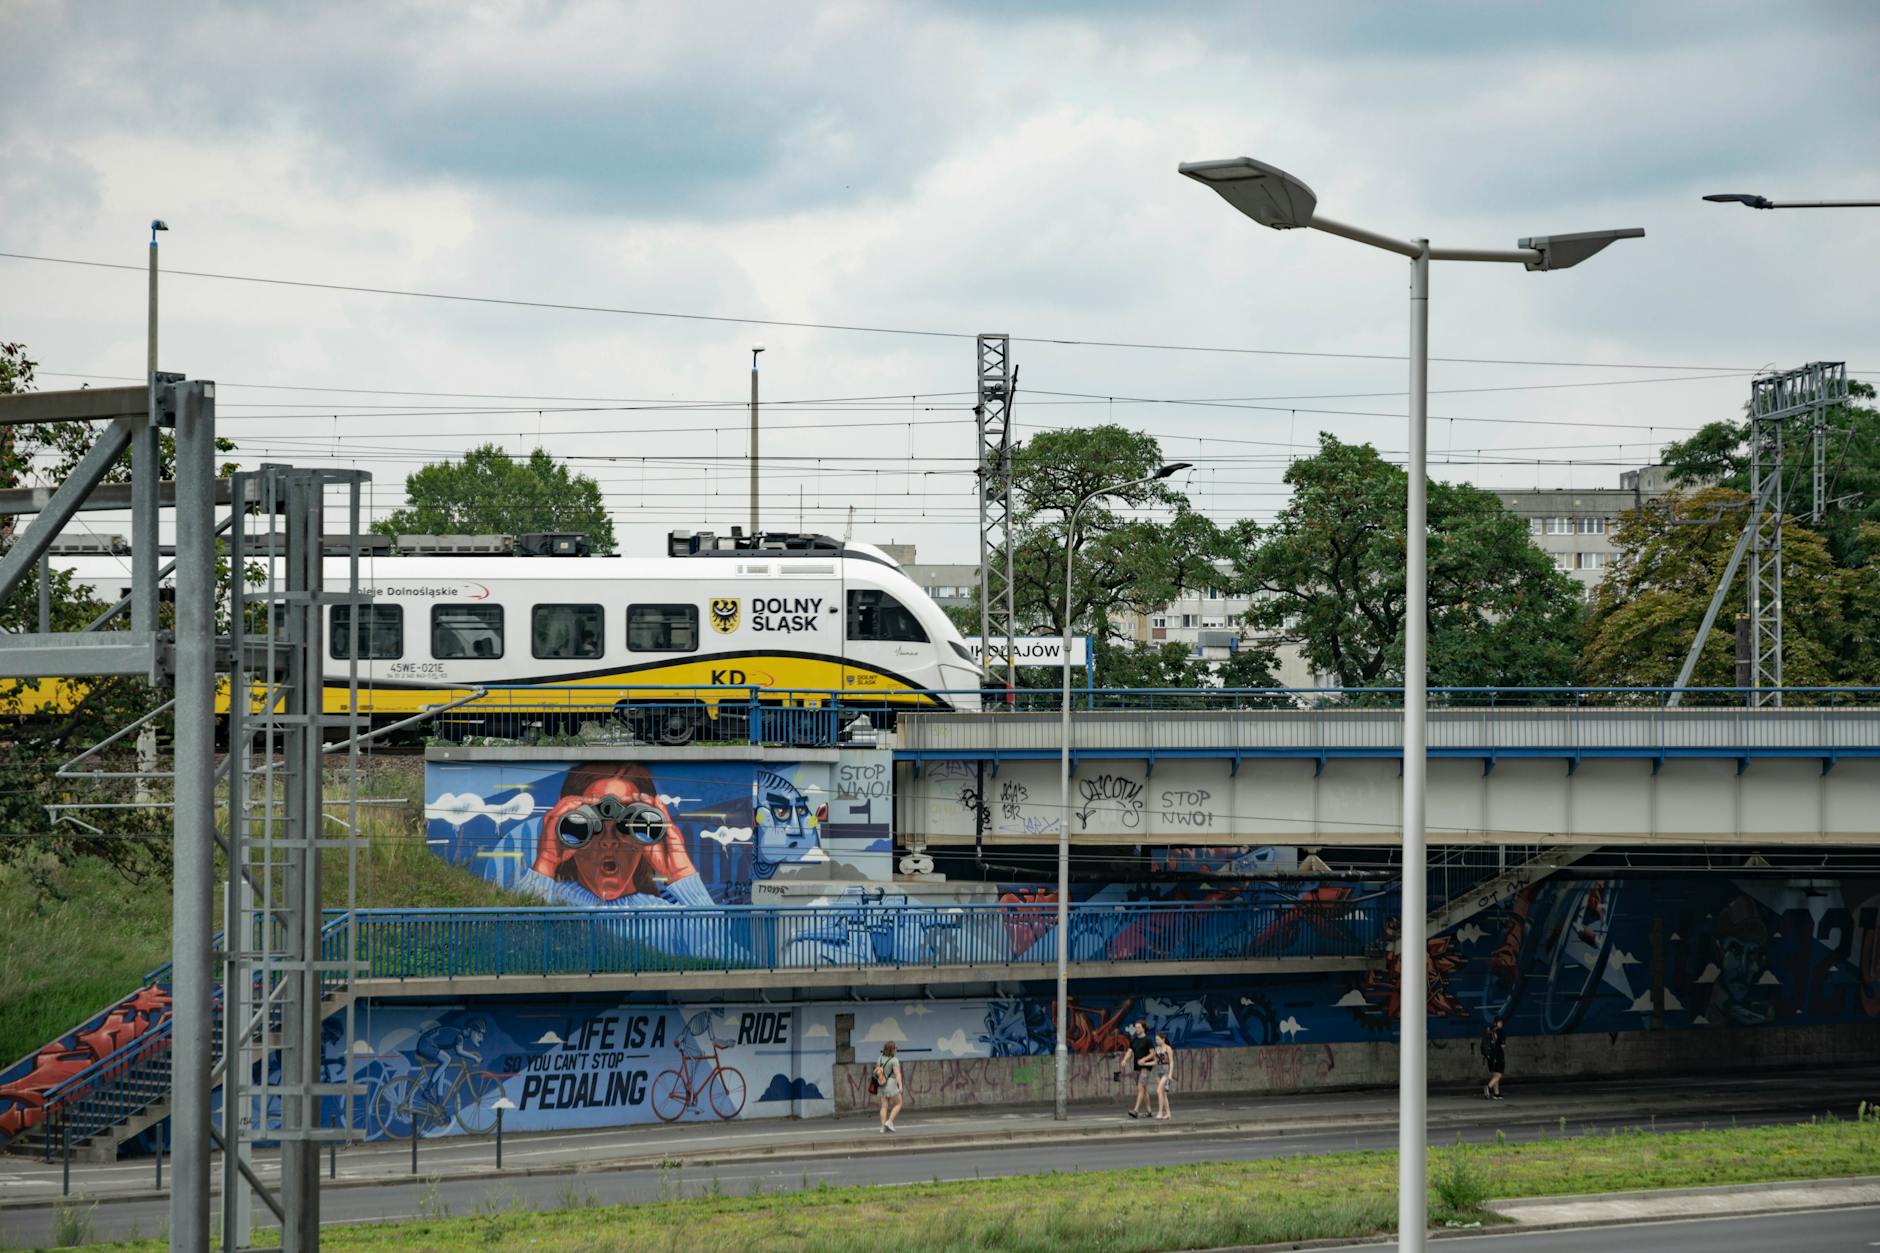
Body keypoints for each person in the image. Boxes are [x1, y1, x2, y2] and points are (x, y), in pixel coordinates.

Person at [1125, 1021, 1154, 1119]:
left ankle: (1135, 1111)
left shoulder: (1148, 1041)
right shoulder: (1134, 1040)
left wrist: (1144, 1059)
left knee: (1140, 1088)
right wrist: (1125, 1060)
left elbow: (1153, 1054)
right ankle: (1149, 1111)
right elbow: (1129, 1051)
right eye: (1136, 1027)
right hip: (1136, 1068)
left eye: (1138, 1027)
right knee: (1144, 1089)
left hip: (1145, 1067)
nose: (1136, 1029)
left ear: (1143, 1028)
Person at [875, 1041, 903, 1132]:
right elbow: (897, 1074)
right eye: (895, 1048)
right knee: (898, 1103)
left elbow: (877, 1071)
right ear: (892, 1049)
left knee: (884, 1106)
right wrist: (900, 1085)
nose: (896, 1049)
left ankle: (882, 1127)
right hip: (891, 1083)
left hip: (881, 1083)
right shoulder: (894, 1060)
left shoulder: (880, 1058)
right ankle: (889, 1121)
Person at [1482, 1015, 1507, 1100]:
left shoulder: (1488, 1030)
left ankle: (1496, 1093)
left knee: (1495, 1074)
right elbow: (1503, 1045)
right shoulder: (1500, 1031)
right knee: (1499, 1074)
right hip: (1498, 1055)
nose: (1501, 1024)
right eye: (1501, 1022)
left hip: (1490, 1056)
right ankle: (1488, 1087)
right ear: (1497, 1023)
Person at [1152, 1030, 1175, 1121]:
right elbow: (1155, 1061)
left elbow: (1171, 1061)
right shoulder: (1156, 1049)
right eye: (1156, 1040)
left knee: (1159, 1091)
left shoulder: (1168, 1048)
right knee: (1163, 1094)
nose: (1156, 1041)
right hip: (1158, 1072)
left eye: (1158, 1039)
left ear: (1163, 1039)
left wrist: (1170, 1073)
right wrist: (1144, 1062)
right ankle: (1168, 1114)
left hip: (1165, 1072)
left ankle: (1160, 1113)